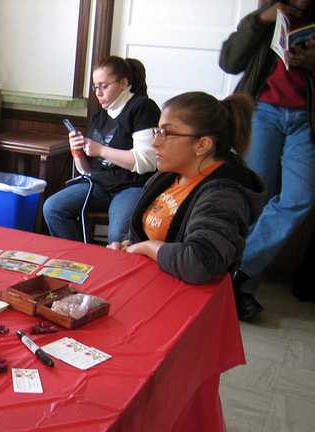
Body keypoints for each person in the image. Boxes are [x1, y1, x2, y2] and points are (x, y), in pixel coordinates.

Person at [219, 0, 315, 320]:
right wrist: (262, 19)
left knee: (299, 198)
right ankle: (242, 291)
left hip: (307, 119)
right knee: (255, 197)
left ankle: (239, 274)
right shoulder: (263, 18)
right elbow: (230, 62)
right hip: (263, 112)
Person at [109, 91, 266, 285]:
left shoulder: (223, 195)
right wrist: (126, 245)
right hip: (150, 281)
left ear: (202, 145)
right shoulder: (166, 177)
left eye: (166, 133)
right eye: (157, 131)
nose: (155, 142)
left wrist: (146, 248)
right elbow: (141, 233)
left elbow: (201, 263)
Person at [43, 56, 161, 243]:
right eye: (95, 87)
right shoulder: (100, 117)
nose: (98, 93)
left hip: (132, 186)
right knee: (53, 208)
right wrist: (78, 152)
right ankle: (79, 261)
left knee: (116, 237)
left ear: (123, 83)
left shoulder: (142, 108)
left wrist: (101, 150)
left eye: (104, 86)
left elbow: (146, 162)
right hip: (100, 185)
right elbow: (88, 170)